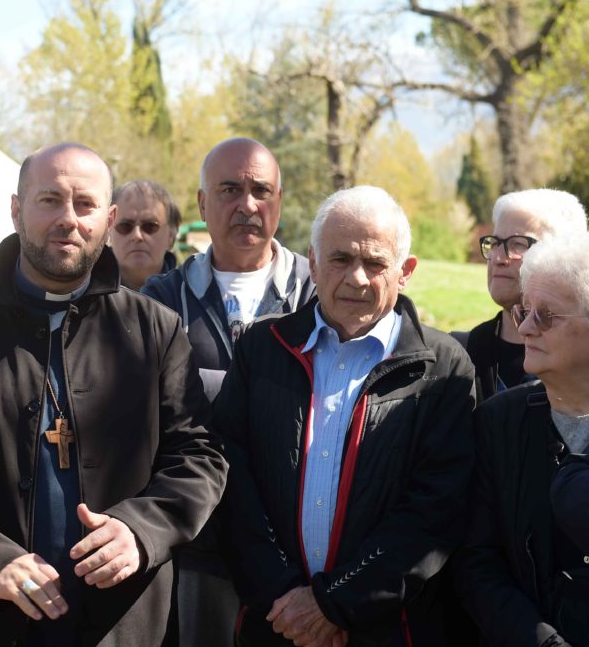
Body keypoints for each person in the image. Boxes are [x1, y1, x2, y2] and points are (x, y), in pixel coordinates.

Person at [0, 142, 228, 646]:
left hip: (122, 622)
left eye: (85, 204)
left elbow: (198, 454)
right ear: (16, 210)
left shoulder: (157, 329)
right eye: (49, 200)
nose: (69, 219)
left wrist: (141, 530)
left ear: (108, 219)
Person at [214, 186, 476, 646]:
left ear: (405, 272)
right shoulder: (262, 348)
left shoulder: (444, 366)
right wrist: (287, 600)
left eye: (375, 263)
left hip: (388, 630)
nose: (357, 278)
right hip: (274, 622)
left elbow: (436, 507)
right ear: (313, 262)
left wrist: (334, 605)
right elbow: (232, 477)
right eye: (340, 259)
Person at [141, 137, 314, 645]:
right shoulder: (162, 298)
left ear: (280, 201)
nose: (247, 205)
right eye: (230, 190)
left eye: (261, 191)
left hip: (297, 553)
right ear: (201, 203)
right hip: (199, 545)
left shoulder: (317, 293)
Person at [455, 235, 589, 647]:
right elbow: (477, 561)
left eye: (545, 316)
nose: (525, 328)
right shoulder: (498, 422)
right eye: (523, 311)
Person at [456, 189, 587, 403]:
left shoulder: (580, 366)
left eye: (518, 244)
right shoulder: (458, 355)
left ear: (566, 254)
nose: (498, 258)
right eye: (495, 243)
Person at [109, 179, 180, 290]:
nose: (137, 236)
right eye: (125, 226)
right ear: (109, 233)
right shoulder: (84, 293)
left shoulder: (188, 295)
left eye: (150, 226)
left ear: (171, 236)